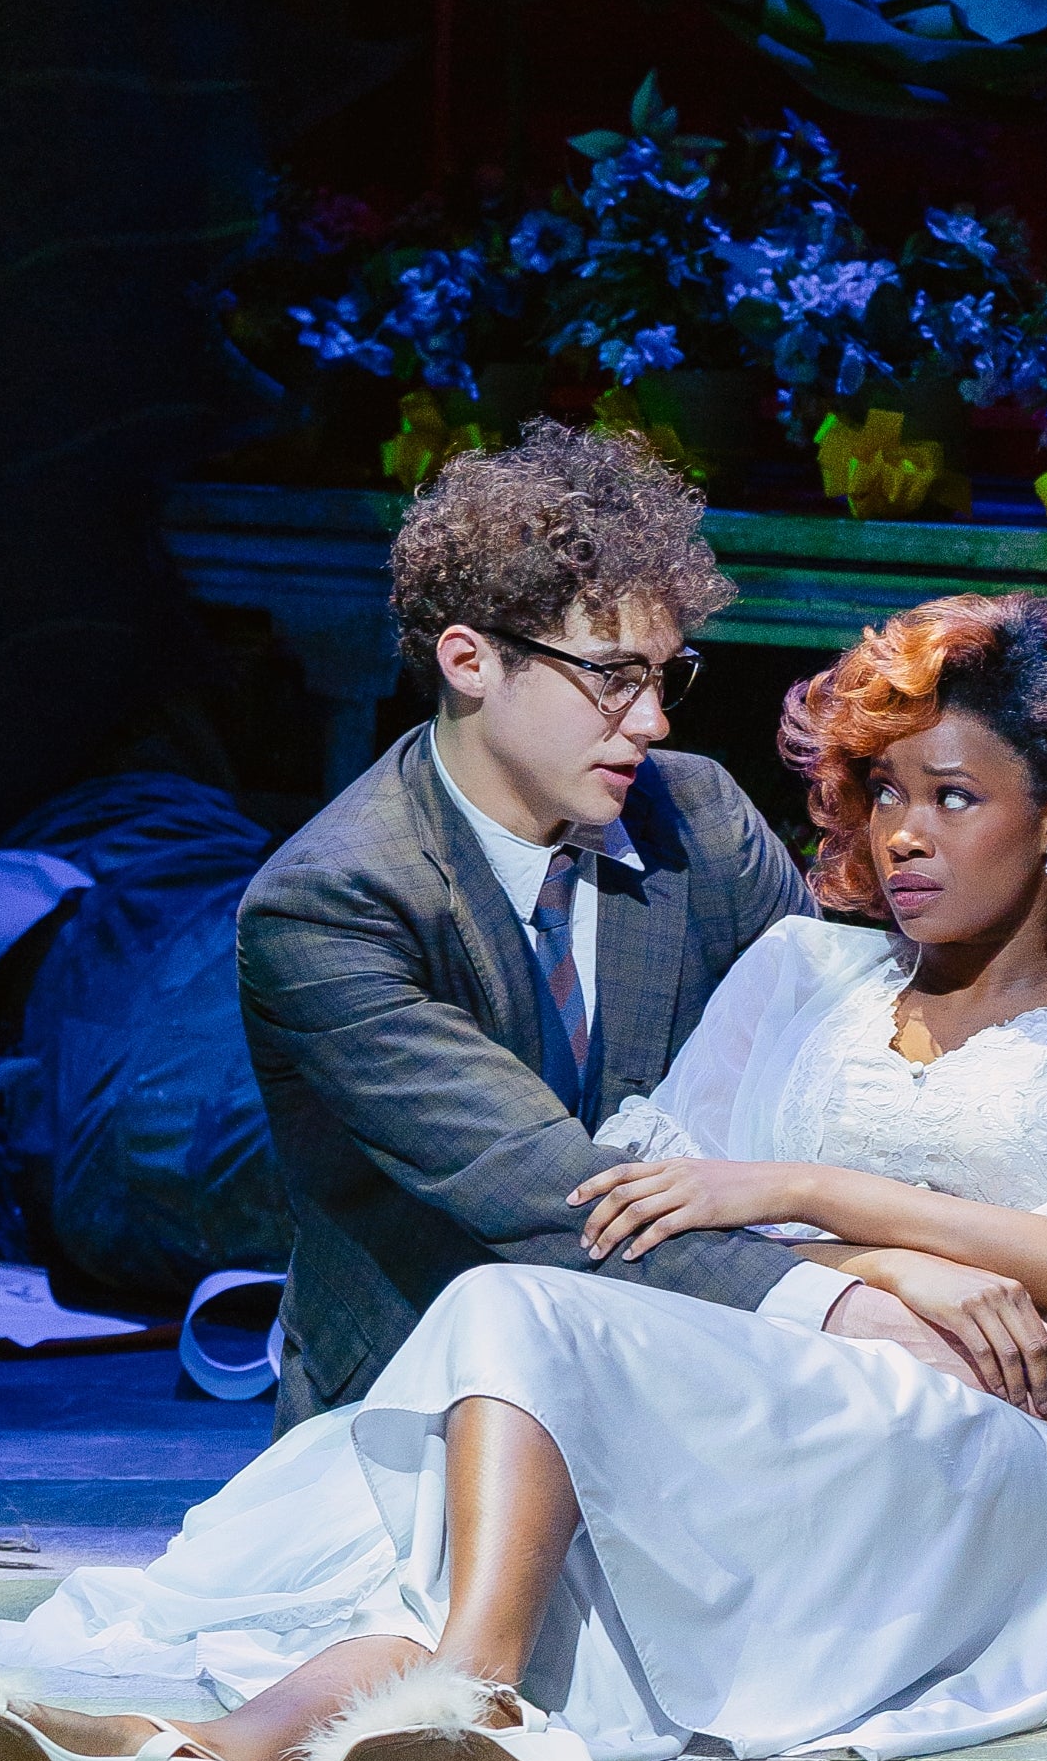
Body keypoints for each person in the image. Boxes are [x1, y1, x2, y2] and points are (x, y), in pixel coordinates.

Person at [0, 593, 1047, 1761]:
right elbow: (644, 1229)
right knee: (518, 1518)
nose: (900, 833)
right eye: (882, 790)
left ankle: (453, 1697)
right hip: (766, 1413)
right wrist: (881, 1267)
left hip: (992, 1446)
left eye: (951, 796)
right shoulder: (800, 972)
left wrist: (810, 1190)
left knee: (515, 1364)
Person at [231, 420, 968, 1428]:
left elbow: (833, 1064)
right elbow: (543, 1193)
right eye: (613, 676)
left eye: (665, 676)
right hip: (433, 1394)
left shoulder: (696, 815)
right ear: (469, 661)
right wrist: (845, 1298)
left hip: (704, 1363)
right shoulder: (332, 901)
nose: (653, 721)